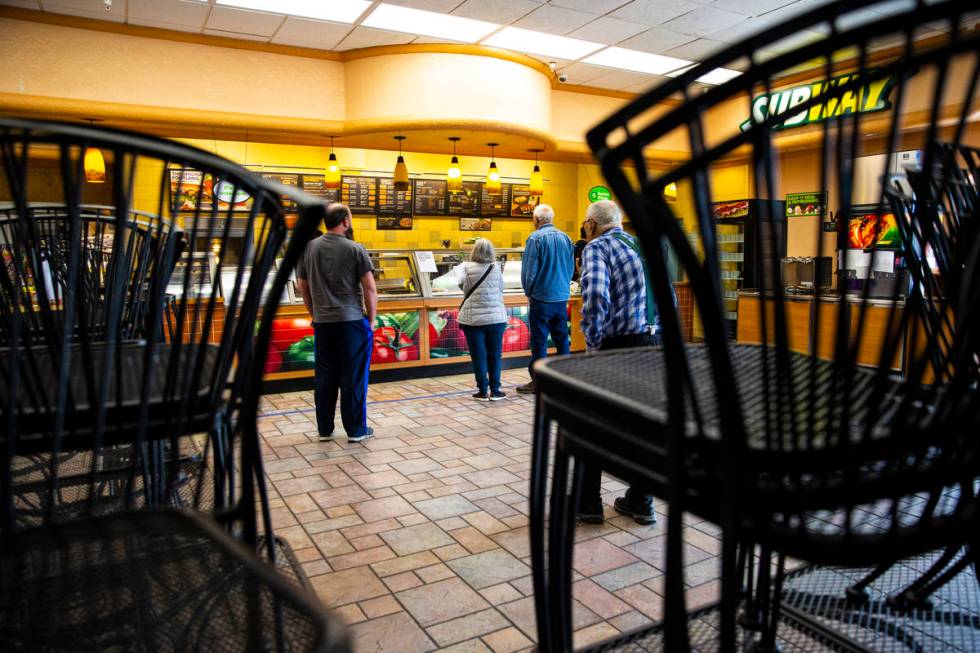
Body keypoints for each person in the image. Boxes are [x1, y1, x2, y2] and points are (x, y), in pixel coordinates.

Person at [577, 200, 656, 525]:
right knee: (642, 425)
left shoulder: (598, 248)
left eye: (585, 226)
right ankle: (641, 500)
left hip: (618, 345)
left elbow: (596, 295)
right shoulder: (642, 246)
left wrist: (594, 342)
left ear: (592, 226)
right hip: (652, 343)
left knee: (591, 423)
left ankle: (588, 503)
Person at [295, 203, 377, 443]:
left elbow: (303, 287)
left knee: (325, 376)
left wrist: (314, 314)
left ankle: (324, 429)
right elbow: (370, 289)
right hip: (351, 321)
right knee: (353, 376)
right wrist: (370, 321)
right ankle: (356, 430)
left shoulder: (308, 248)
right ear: (345, 222)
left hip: (322, 322)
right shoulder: (355, 248)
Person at [517, 203, 574, 394]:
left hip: (541, 298)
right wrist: (564, 287)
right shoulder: (566, 238)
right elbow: (571, 268)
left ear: (536, 220)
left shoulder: (535, 238)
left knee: (539, 342)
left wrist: (528, 291)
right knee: (562, 339)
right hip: (561, 297)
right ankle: (564, 380)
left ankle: (539, 382)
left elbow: (529, 271)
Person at [454, 238, 507, 401]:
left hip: (473, 320)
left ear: (474, 252)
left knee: (479, 356)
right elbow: (501, 290)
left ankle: (482, 391)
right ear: (492, 252)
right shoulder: (497, 268)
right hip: (496, 319)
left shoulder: (465, 268)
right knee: (495, 355)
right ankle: (496, 391)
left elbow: (463, 287)